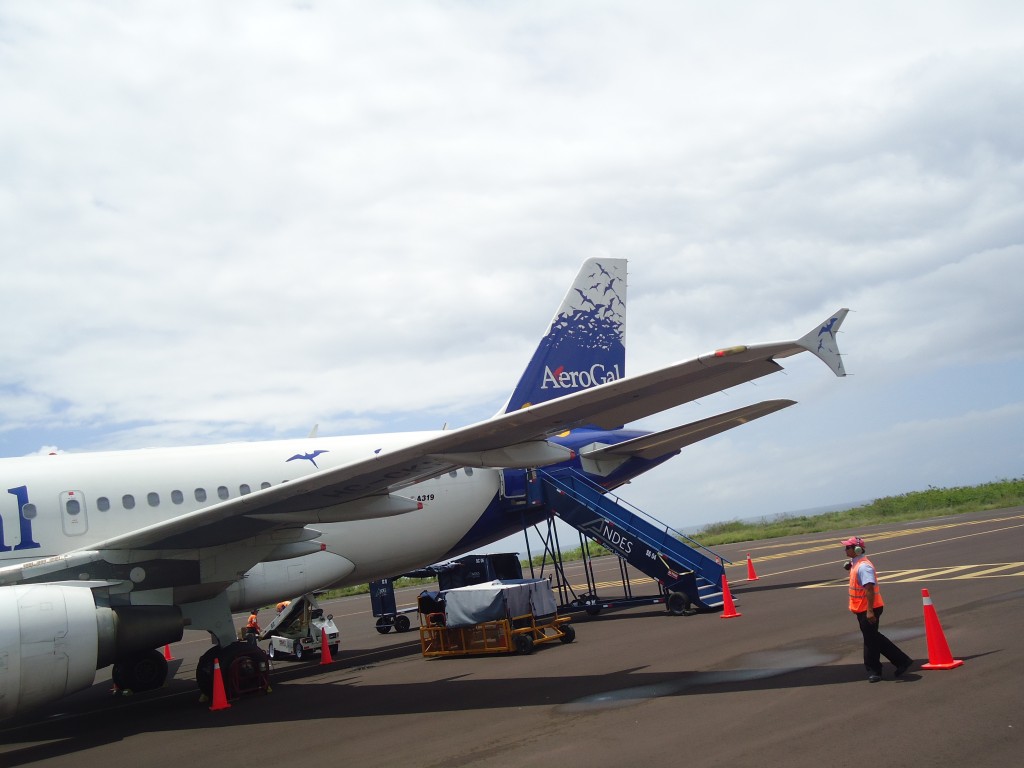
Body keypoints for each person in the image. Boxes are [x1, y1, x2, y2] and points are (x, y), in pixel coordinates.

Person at [843, 536, 913, 682]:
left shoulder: (864, 567)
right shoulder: (857, 563)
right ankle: (900, 661)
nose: (845, 549)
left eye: (848, 547)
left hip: (869, 608)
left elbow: (869, 589)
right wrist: (850, 566)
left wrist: (869, 611)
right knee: (873, 637)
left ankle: (876, 669)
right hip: (861, 608)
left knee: (871, 640)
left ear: (856, 549)